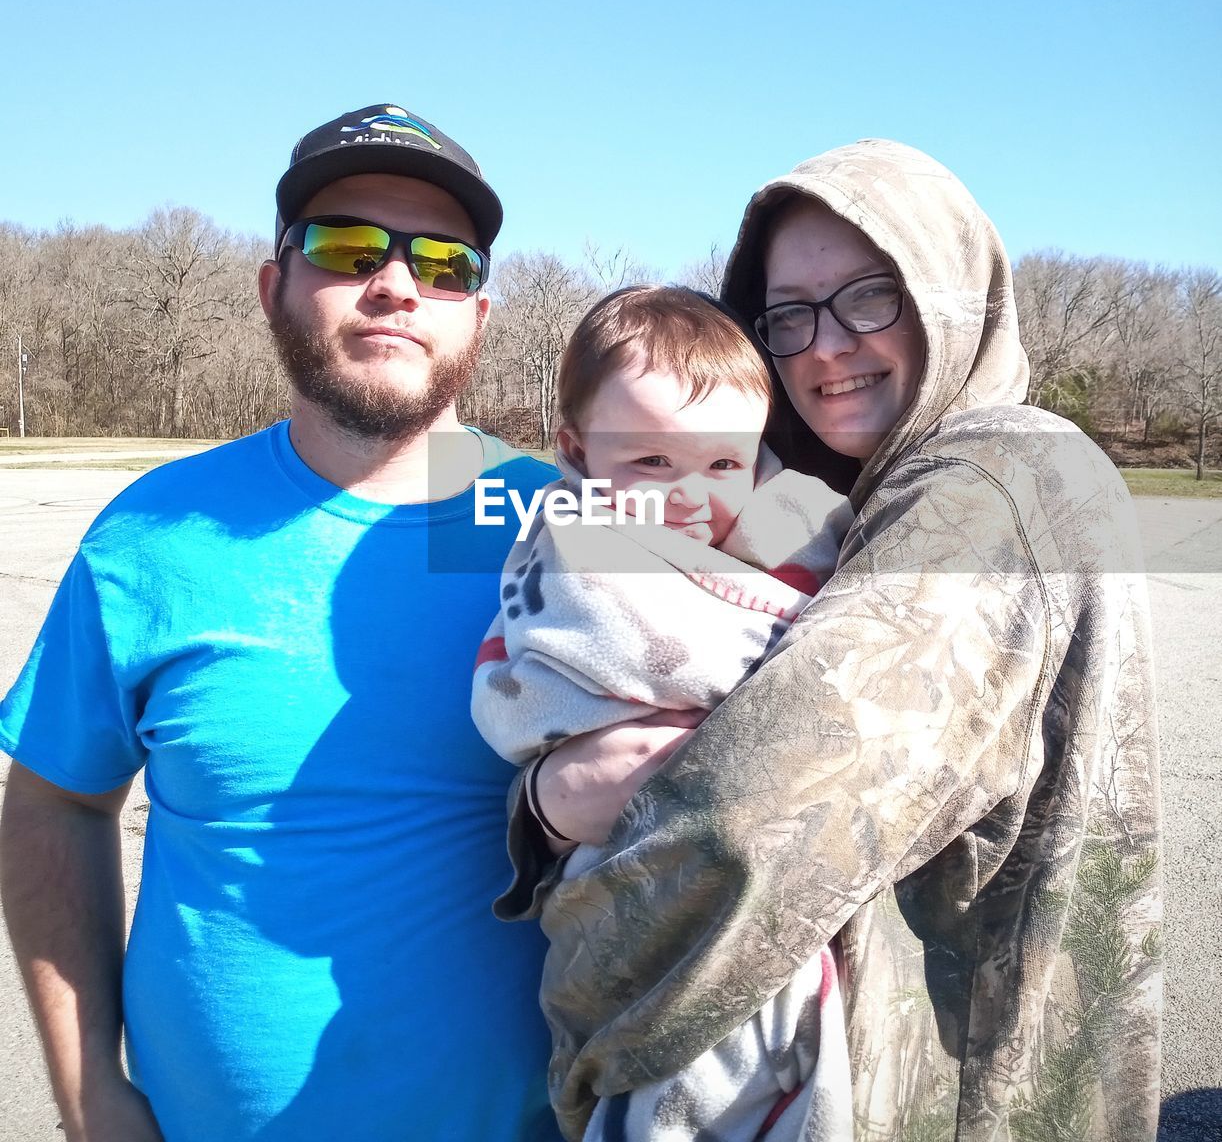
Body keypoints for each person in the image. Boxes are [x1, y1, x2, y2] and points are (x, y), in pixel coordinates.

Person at [509, 140, 1162, 1141]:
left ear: (952, 294)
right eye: (788, 313)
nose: (821, 346)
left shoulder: (987, 483)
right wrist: (551, 799)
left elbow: (748, 825)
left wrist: (572, 1017)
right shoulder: (849, 498)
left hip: (954, 1086)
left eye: (870, 295)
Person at [0, 104, 562, 1142]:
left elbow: (822, 548)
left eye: (444, 263)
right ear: (274, 287)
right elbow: (54, 805)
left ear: (477, 318)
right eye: (349, 247)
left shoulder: (563, 518)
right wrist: (88, 1095)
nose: (397, 283)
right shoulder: (155, 532)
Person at [472, 285, 854, 1141]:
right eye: (651, 462)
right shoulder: (573, 542)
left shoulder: (793, 530)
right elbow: (548, 678)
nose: (689, 496)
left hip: (761, 884)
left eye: (723, 465)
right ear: (575, 450)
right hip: (621, 881)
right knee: (664, 1069)